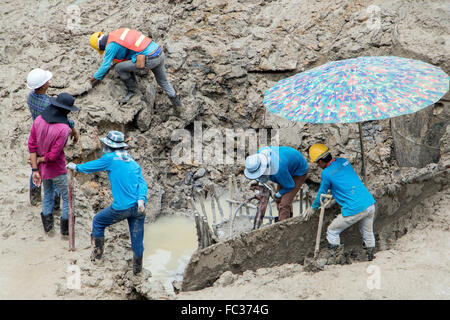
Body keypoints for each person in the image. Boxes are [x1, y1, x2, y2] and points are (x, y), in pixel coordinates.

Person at [66, 131, 148, 275]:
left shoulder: (110, 158)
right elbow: (142, 183)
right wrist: (142, 199)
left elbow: (93, 166)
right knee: (137, 239)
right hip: (138, 206)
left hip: (122, 207)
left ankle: (97, 257)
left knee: (98, 221)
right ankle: (137, 270)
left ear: (110, 146)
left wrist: (76, 167)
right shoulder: (132, 162)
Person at [304, 143, 376, 261]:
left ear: (321, 161)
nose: (318, 166)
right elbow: (345, 181)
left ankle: (335, 259)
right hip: (369, 203)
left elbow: (321, 193)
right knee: (368, 232)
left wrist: (313, 207)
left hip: (355, 208)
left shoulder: (326, 173)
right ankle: (370, 257)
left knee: (332, 231)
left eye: (317, 163)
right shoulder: (344, 161)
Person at [89, 28, 182, 111]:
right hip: (158, 52)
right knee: (163, 82)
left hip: (150, 58)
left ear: (99, 45)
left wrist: (93, 79)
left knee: (119, 68)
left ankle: (132, 91)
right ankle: (178, 107)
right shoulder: (117, 33)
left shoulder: (110, 46)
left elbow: (105, 66)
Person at [28, 92, 79, 236]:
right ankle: (65, 231)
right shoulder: (63, 129)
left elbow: (31, 145)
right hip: (56, 169)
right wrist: (40, 160)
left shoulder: (38, 120)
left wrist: (35, 166)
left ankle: (48, 229)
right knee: (67, 196)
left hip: (43, 170)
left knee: (48, 194)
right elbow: (53, 156)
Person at [26, 68, 79, 207]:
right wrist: (73, 130)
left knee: (35, 164)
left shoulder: (30, 97)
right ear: (44, 85)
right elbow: (64, 120)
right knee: (52, 168)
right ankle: (55, 202)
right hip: (49, 136)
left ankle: (35, 195)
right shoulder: (48, 104)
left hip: (37, 133)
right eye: (47, 80)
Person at [244, 146, 309, 222]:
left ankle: (282, 226)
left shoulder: (278, 170)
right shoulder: (259, 156)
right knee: (278, 199)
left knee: (284, 204)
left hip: (298, 170)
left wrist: (279, 193)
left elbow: (290, 186)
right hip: (286, 164)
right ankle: (288, 216)